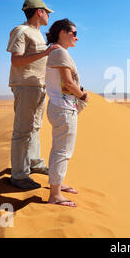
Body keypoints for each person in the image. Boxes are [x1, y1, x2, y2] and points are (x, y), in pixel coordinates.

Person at [6, 0, 60, 189]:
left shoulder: (37, 34)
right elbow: (16, 61)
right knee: (22, 132)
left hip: (39, 86)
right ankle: (19, 175)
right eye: (47, 12)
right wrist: (45, 53)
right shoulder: (21, 31)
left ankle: (34, 162)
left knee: (35, 127)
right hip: (25, 85)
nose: (49, 16)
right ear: (39, 12)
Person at [45, 18, 88, 207]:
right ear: (62, 32)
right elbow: (68, 83)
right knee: (63, 151)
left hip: (58, 106)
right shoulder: (60, 52)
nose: (77, 38)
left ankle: (57, 184)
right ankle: (55, 195)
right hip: (63, 108)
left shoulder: (55, 51)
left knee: (59, 149)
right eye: (74, 33)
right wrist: (83, 96)